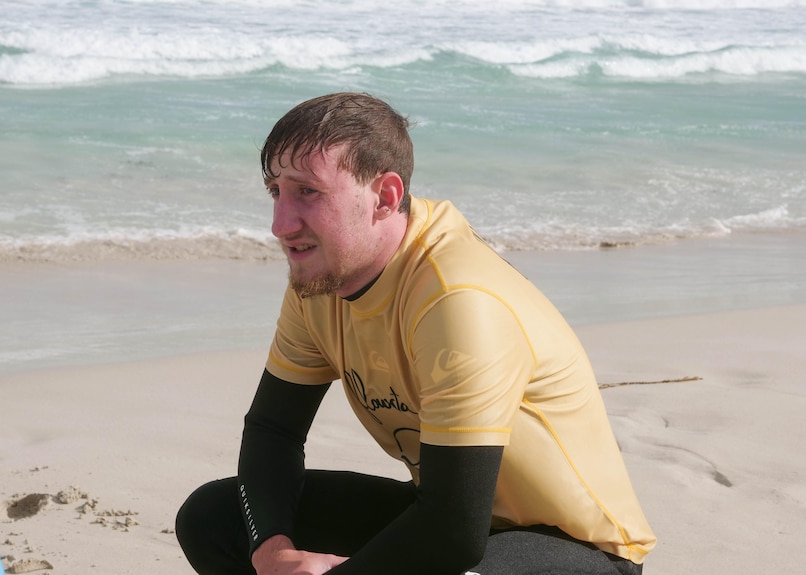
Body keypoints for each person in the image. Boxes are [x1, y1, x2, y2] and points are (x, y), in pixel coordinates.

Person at [175, 92, 656, 575]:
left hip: (578, 552)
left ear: (384, 197)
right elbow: (273, 431)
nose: (280, 224)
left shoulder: (457, 299)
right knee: (214, 519)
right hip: (461, 520)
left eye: (308, 192)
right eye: (275, 191)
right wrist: (273, 555)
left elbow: (452, 533)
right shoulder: (322, 283)